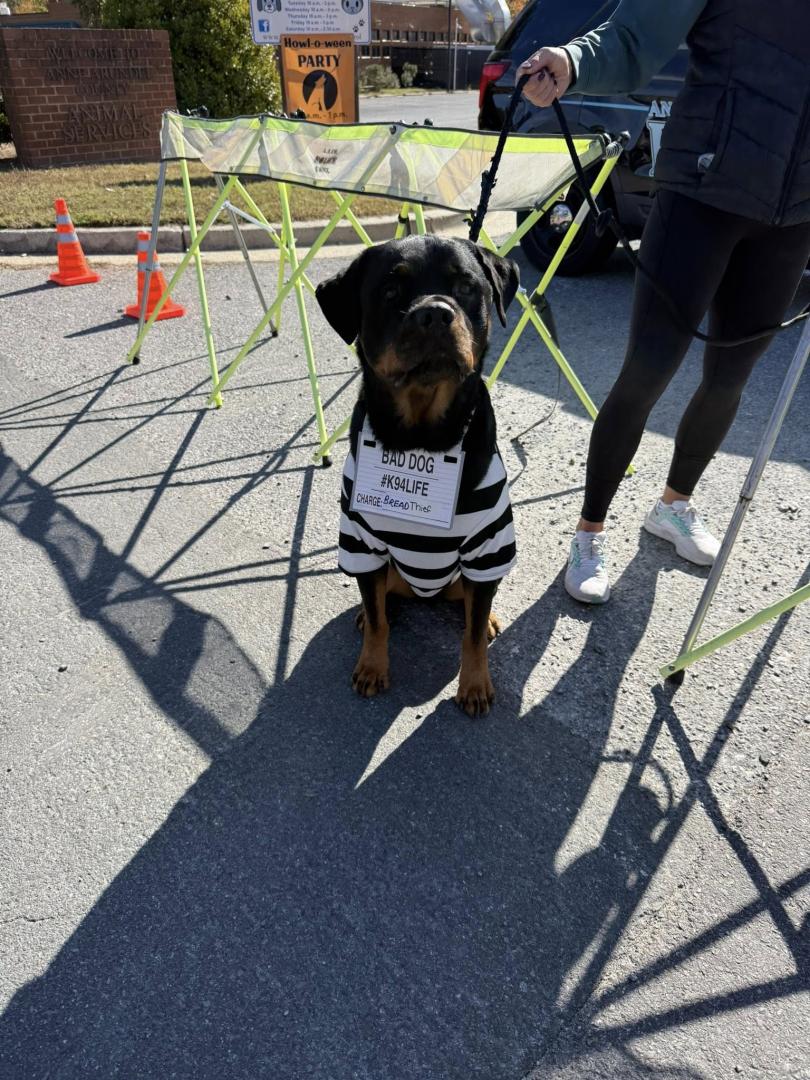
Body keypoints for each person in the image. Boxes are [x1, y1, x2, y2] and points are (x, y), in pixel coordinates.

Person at [519, 0, 810, 604]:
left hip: (792, 218)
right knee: (647, 370)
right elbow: (632, 37)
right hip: (700, 193)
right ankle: (587, 534)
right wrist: (571, 60)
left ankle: (673, 507)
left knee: (731, 378)